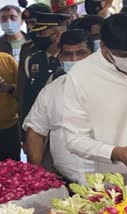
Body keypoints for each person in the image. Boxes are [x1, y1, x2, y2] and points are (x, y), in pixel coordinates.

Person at [62, 13, 127, 183]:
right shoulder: (80, 76)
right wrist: (114, 152)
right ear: (103, 46)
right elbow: (74, 139)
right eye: (124, 56)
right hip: (118, 179)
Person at [23, 29, 94, 184]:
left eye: (81, 53)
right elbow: (35, 131)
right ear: (60, 57)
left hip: (110, 180)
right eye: (68, 54)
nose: (74, 59)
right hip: (65, 181)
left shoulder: (111, 86)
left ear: (94, 55)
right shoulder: (51, 90)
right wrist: (37, 174)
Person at [21, 12, 70, 145]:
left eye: (42, 35)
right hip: (38, 130)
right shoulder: (32, 61)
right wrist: (25, 137)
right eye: (36, 34)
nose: (37, 38)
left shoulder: (70, 60)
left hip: (64, 129)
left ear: (58, 35)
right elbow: (27, 99)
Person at [17, 3, 53, 145]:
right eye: (27, 23)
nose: (30, 27)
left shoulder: (66, 48)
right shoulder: (27, 48)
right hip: (34, 120)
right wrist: (24, 134)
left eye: (33, 22)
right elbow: (22, 92)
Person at [0, 52, 19, 161]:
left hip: (9, 128)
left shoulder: (7, 60)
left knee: (13, 170)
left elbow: (23, 91)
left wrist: (8, 88)